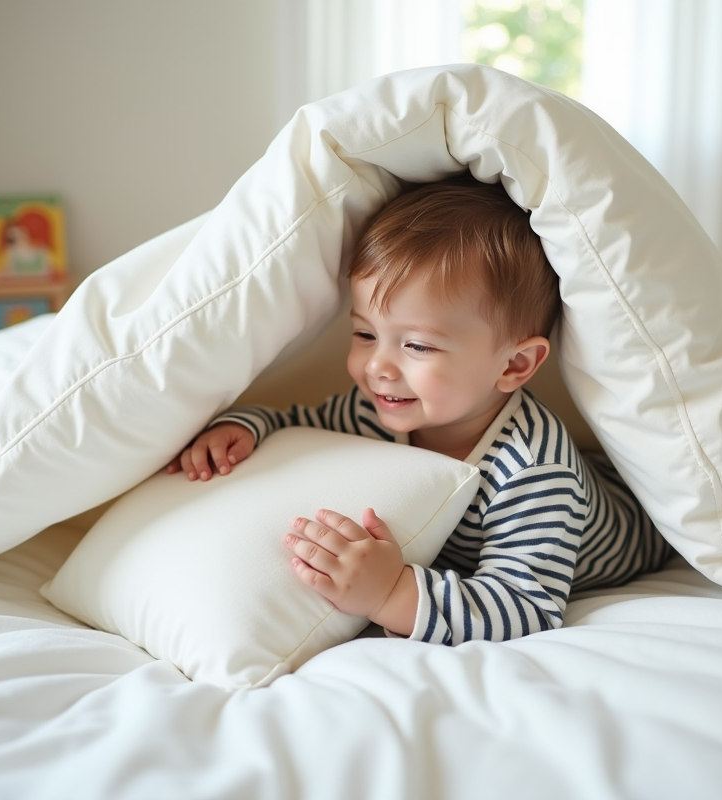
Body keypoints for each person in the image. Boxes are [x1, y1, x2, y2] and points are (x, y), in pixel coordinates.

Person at [165, 177, 674, 644]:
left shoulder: (534, 469)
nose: (378, 367)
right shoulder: (374, 413)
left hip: (634, 524)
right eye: (365, 334)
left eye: (418, 347)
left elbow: (527, 608)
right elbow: (295, 423)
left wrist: (391, 594)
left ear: (515, 364)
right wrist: (243, 427)